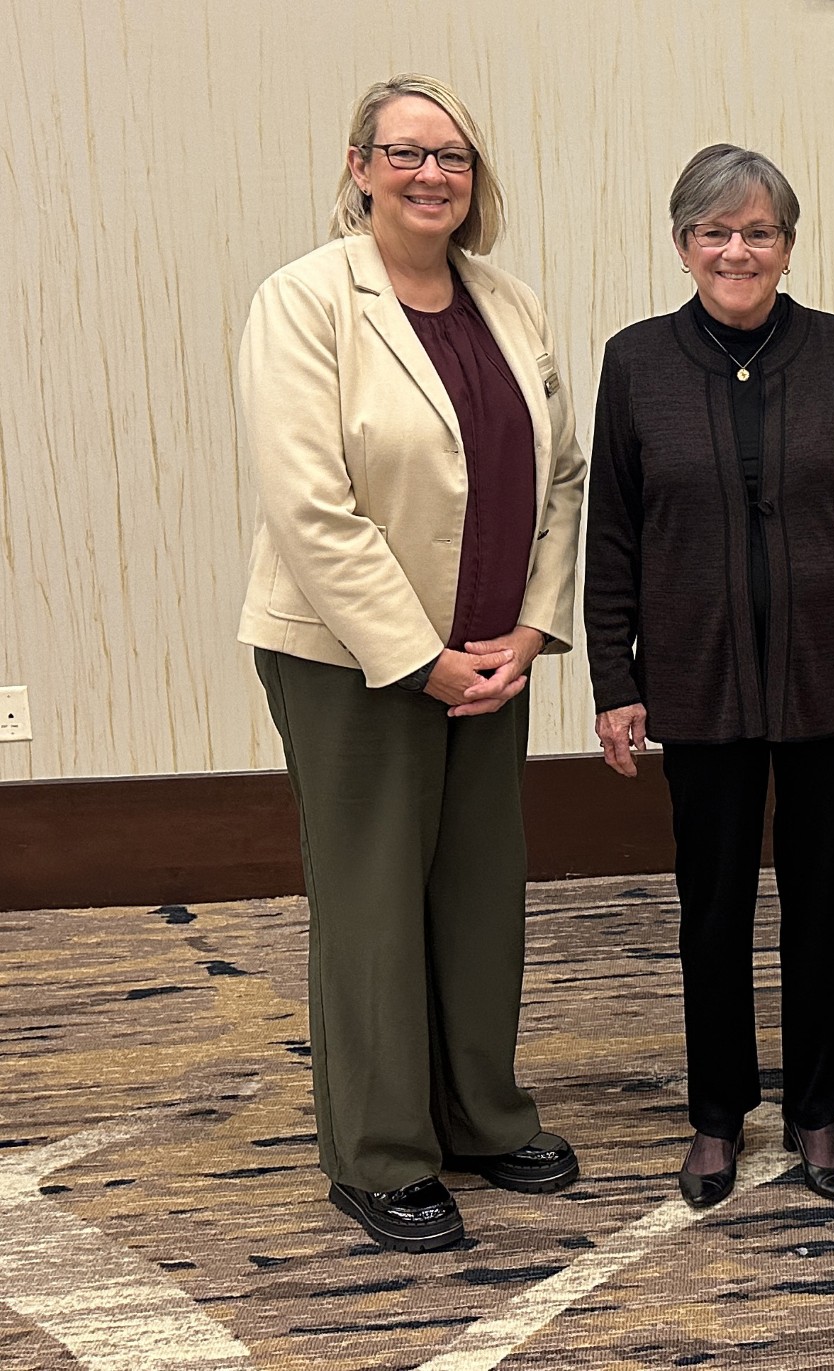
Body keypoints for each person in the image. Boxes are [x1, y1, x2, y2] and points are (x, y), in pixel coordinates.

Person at [237, 74, 587, 1252]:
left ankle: (482, 1117)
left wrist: (531, 631)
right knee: (375, 902)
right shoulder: (304, 302)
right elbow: (309, 505)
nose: (432, 174)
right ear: (359, 167)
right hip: (352, 661)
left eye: (454, 158)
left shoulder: (510, 303)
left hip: (494, 658)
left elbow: (563, 479)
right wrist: (420, 659)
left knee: (481, 895)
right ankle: (380, 1153)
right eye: (406, 153)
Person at [585, 144, 834, 1210]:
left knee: (822, 906)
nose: (737, 249)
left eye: (759, 231)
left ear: (787, 244)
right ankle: (717, 1116)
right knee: (714, 908)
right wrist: (614, 678)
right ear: (682, 244)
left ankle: (818, 1112)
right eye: (714, 231)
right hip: (696, 681)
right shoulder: (636, 362)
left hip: (827, 679)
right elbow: (614, 537)